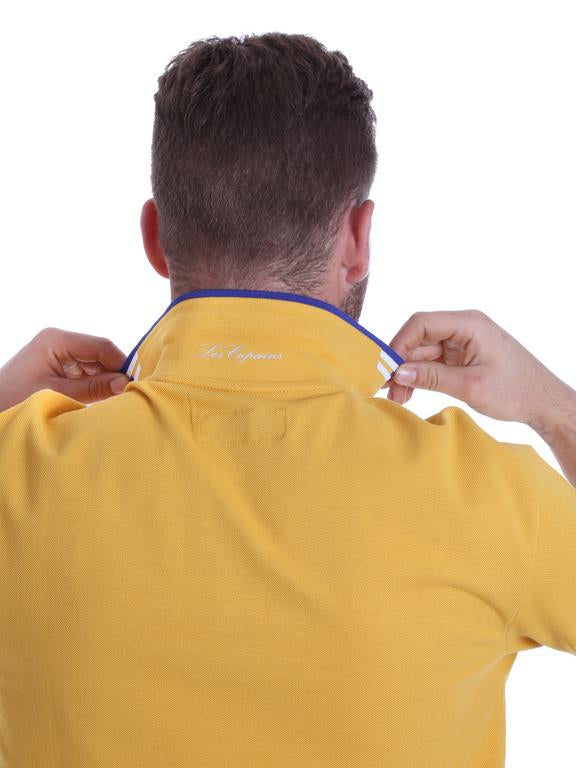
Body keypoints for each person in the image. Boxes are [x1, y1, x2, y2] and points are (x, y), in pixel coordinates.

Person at [0, 31, 574, 768]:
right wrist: (554, 408)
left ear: (156, 237)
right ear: (358, 238)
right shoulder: (494, 498)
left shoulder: (18, 474)